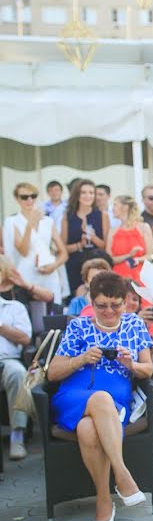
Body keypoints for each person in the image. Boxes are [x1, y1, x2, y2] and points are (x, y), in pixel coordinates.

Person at [48, 272, 153, 521]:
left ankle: (104, 501)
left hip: (115, 399)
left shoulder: (134, 325)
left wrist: (131, 365)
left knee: (87, 428)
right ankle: (123, 476)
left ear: (126, 302)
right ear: (91, 303)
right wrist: (82, 359)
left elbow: (148, 369)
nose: (109, 311)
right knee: (100, 398)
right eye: (102, 305)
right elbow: (53, 372)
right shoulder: (78, 327)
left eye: (115, 305)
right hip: (76, 394)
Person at [3, 182, 67, 304]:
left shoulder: (48, 221)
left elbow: (63, 252)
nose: (29, 200)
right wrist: (29, 226)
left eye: (33, 196)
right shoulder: (12, 222)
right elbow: (23, 251)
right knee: (29, 313)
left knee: (53, 312)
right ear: (17, 199)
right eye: (24, 197)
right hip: (25, 275)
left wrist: (53, 266)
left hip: (49, 273)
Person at [0, 281, 33, 460]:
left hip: (7, 360)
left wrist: (1, 326)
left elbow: (25, 338)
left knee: (18, 374)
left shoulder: (14, 307)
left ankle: (17, 436)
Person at [61, 179, 109, 296]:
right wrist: (79, 245)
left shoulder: (102, 215)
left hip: (96, 265)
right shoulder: (68, 216)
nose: (88, 196)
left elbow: (107, 246)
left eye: (91, 193)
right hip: (74, 265)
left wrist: (93, 238)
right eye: (84, 192)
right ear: (77, 194)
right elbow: (62, 247)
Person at [106, 196, 153, 284]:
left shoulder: (143, 227)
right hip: (118, 278)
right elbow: (109, 259)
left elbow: (150, 255)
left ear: (125, 207)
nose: (112, 208)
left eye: (115, 205)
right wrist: (129, 255)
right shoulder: (112, 232)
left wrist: (138, 259)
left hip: (140, 277)